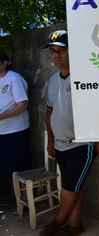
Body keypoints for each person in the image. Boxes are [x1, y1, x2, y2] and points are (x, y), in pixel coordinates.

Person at [40, 30, 99, 236]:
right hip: (60, 144)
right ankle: (74, 225)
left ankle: (58, 221)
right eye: (53, 51)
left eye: (62, 50)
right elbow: (49, 110)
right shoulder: (53, 80)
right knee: (74, 186)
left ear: (73, 51)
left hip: (81, 144)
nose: (56, 55)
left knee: (69, 187)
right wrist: (51, 140)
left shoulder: (85, 76)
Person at [0, 50, 31, 207]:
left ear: (5, 63)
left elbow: (22, 106)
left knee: (20, 166)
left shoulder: (14, 78)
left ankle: (24, 200)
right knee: (6, 166)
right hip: (2, 132)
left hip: (16, 130)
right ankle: (14, 195)